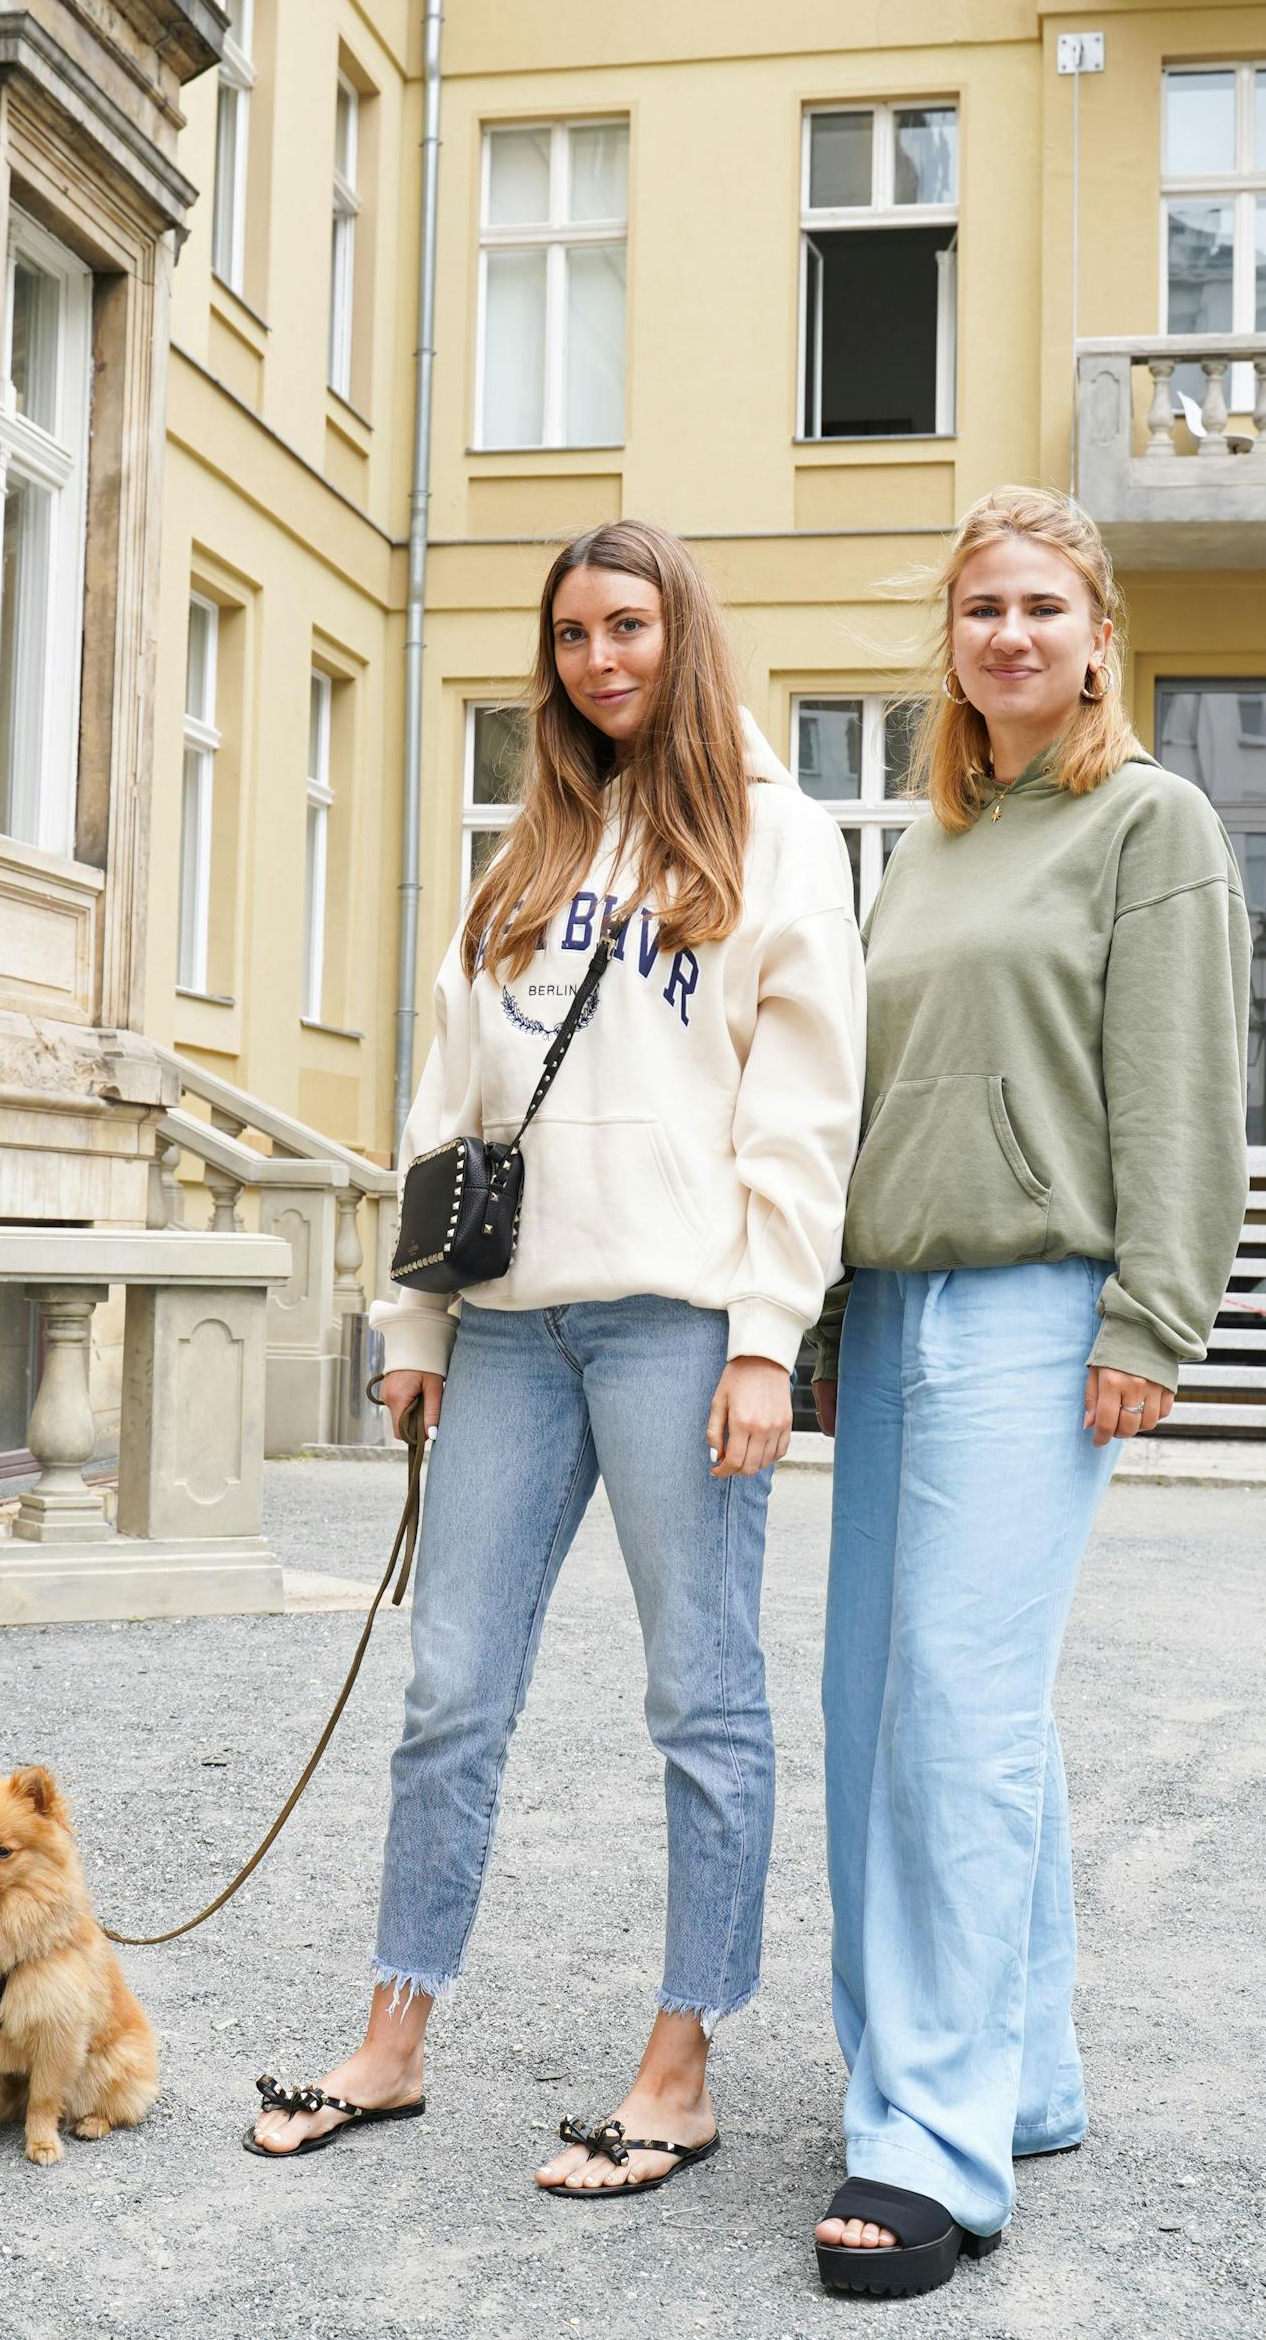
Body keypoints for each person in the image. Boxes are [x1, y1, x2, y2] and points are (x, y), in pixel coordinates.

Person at [245, 519, 864, 2193]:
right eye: (576, 633)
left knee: (700, 1696)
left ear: (685, 634)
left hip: (677, 1322)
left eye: (631, 625)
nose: (601, 658)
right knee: (449, 1687)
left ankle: (680, 2062)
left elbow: (800, 1118)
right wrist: (411, 1323)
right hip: (511, 1333)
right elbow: (446, 1107)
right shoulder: (523, 857)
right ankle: (392, 2035)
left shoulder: (777, 842)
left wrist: (765, 1341)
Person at [807, 486, 1249, 2295]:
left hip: (1038, 1307)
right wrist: (828, 1311)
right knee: (883, 1706)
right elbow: (863, 1096)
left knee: (958, 1716)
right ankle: (1024, 2072)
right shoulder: (926, 848)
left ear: (1097, 639)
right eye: (981, 605)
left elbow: (1178, 1085)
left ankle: (931, 2148)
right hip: (901, 1306)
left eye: (1042, 606)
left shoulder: (1150, 821)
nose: (1008, 633)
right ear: (956, 644)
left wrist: (1155, 1317)